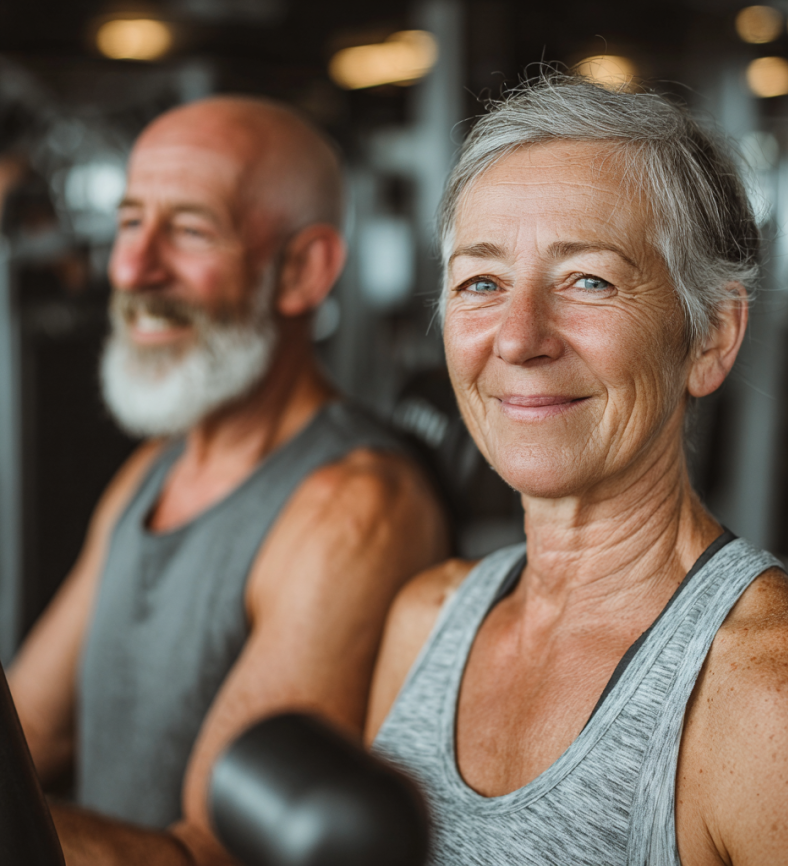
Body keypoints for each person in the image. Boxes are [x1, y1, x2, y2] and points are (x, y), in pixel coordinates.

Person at [366, 75, 788, 864]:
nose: (519, 337)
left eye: (588, 280)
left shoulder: (782, 702)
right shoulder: (422, 622)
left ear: (710, 339)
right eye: (482, 283)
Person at [8, 95, 448, 865]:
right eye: (129, 222)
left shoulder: (355, 507)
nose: (131, 269)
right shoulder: (158, 467)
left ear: (303, 271)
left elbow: (216, 854)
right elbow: (32, 729)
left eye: (188, 230)